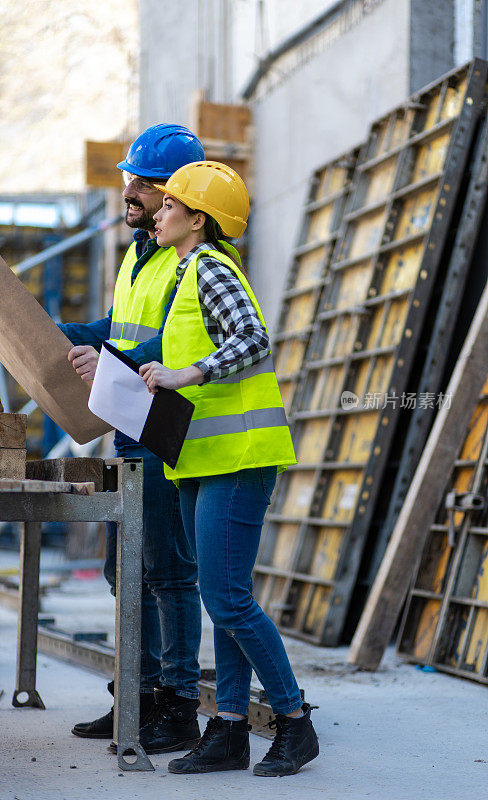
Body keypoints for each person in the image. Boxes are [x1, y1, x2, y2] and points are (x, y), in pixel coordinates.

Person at [139, 161, 319, 777]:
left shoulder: (211, 267)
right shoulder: (186, 273)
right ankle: (231, 729)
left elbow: (253, 337)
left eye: (170, 206)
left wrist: (184, 374)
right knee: (225, 599)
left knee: (229, 599)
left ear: (198, 219)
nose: (158, 212)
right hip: (205, 460)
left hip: (237, 463)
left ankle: (294, 723)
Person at [59, 125, 212, 755]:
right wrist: (58, 334)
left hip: (165, 431)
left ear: (174, 194)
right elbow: (122, 328)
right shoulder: (140, 252)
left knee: (169, 573)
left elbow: (174, 344)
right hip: (129, 429)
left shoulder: (188, 258)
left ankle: (176, 706)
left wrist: (113, 353)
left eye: (142, 185)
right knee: (125, 574)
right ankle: (138, 696)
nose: (129, 191)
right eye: (129, 179)